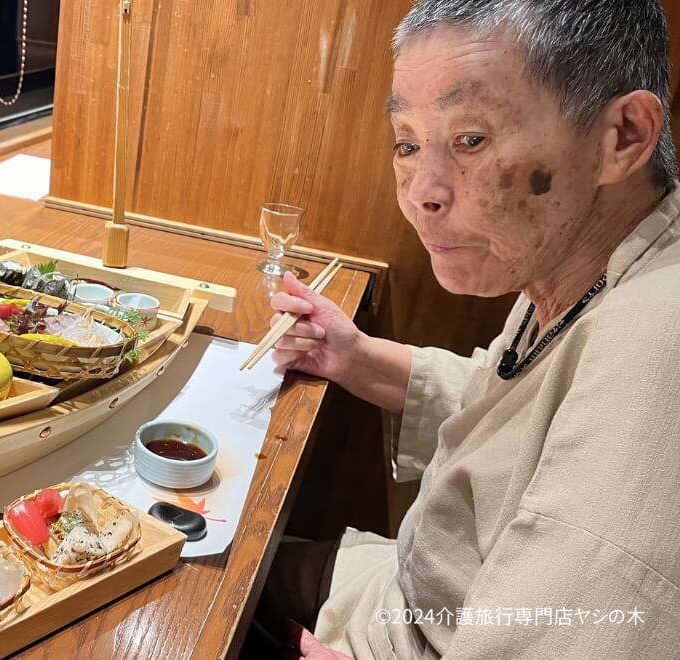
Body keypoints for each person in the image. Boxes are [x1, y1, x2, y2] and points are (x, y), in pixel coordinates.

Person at [264, 0, 680, 657]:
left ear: (622, 136)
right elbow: (513, 413)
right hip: (410, 588)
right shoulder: (582, 266)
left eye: (470, 139)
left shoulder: (654, 352)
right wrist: (355, 355)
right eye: (406, 142)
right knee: (214, 542)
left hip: (422, 638)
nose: (420, 191)